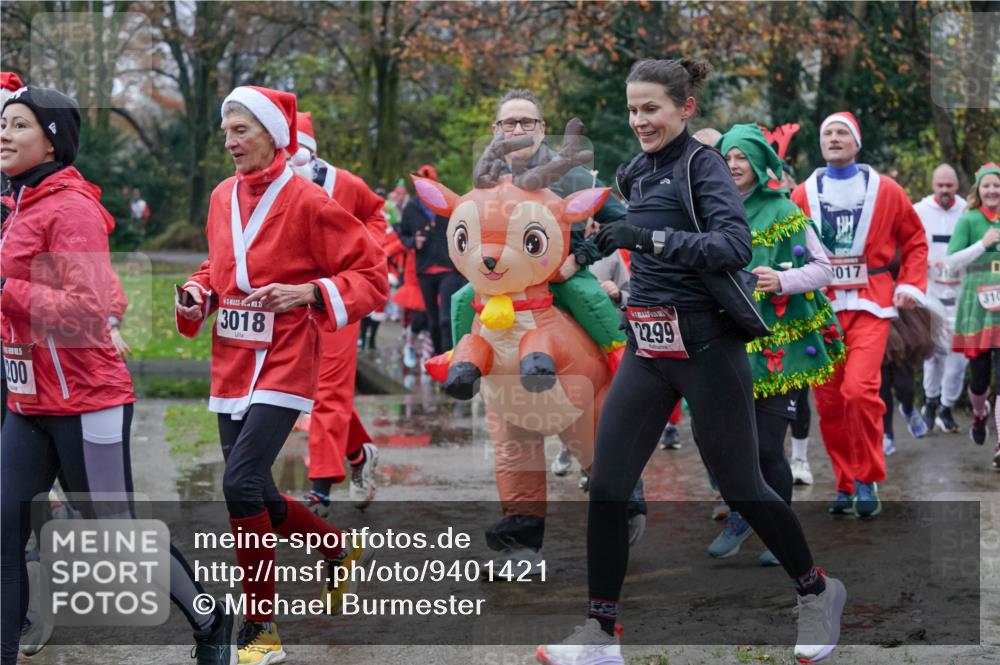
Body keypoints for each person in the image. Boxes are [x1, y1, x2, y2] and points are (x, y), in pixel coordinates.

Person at [537, 59, 845, 665]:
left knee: (743, 486)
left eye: (651, 108)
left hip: (707, 348)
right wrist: (591, 245)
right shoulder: (634, 171)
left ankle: (816, 591)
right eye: (633, 109)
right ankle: (600, 635)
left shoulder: (704, 167)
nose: (640, 121)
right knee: (608, 486)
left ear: (685, 108)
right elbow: (628, 234)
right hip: (649, 348)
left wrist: (646, 238)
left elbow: (733, 246)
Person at [1, 86, 236, 665]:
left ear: (52, 141)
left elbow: (86, 310)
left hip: (88, 401)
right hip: (28, 402)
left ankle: (209, 619)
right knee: (3, 530)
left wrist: (5, 290)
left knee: (116, 530)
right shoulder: (20, 206)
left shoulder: (71, 209)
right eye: (2, 123)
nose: (3, 133)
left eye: (19, 124)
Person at [175, 86, 387, 663]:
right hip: (232, 359)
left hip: (287, 358)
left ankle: (260, 629)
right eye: (226, 132)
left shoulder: (309, 200)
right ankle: (337, 547)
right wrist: (197, 292)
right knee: (258, 493)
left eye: (241, 130)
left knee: (239, 484)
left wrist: (309, 292)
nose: (230, 141)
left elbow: (373, 274)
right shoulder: (221, 196)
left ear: (273, 134)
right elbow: (220, 268)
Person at [706, 124, 843, 566]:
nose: (733, 165)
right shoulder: (709, 209)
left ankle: (779, 534)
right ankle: (742, 514)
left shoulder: (784, 210)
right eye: (727, 157)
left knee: (767, 447)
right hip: (723, 343)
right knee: (726, 447)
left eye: (742, 157)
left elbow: (824, 269)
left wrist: (782, 279)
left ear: (759, 163)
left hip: (778, 347)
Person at [791, 112, 928, 518]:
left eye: (842, 133)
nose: (834, 139)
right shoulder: (801, 194)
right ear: (820, 143)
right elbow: (786, 244)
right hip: (820, 309)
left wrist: (910, 284)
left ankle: (867, 477)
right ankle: (845, 482)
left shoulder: (887, 190)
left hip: (872, 303)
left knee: (858, 391)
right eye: (827, 133)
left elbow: (915, 239)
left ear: (857, 142)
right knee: (830, 401)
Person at [451, 89, 629, 354]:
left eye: (527, 122)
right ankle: (458, 361)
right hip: (501, 281)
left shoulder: (573, 175)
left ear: (542, 129)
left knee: (594, 304)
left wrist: (580, 258)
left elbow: (623, 222)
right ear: (495, 130)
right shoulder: (488, 179)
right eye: (509, 123)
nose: (518, 130)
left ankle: (621, 361)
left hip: (560, 279)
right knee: (460, 301)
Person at [289, 111, 384, 514]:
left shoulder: (345, 183)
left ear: (311, 153)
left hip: (341, 299)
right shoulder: (267, 187)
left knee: (328, 391)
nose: (289, 161)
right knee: (307, 391)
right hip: (292, 303)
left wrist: (366, 255)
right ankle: (359, 453)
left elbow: (377, 214)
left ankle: (321, 488)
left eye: (296, 153)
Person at [945, 162, 1000, 469]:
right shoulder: (969, 220)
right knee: (979, 378)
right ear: (979, 190)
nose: (992, 190)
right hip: (977, 305)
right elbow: (952, 262)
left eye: (997, 185)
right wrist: (982, 244)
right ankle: (979, 414)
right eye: (987, 185)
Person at [915, 164, 968, 433]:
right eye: (940, 185)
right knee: (932, 353)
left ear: (956, 186)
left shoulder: (968, 211)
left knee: (959, 356)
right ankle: (931, 401)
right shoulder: (919, 211)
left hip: (961, 292)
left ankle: (947, 406)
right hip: (931, 290)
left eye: (949, 185)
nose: (945, 190)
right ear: (933, 185)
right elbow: (910, 245)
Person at [396, 164, 466, 354]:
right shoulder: (411, 208)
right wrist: (413, 241)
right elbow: (402, 234)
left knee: (445, 319)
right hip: (424, 270)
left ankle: (449, 360)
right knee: (432, 321)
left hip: (448, 269)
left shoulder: (447, 204)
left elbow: (463, 229)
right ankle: (438, 357)